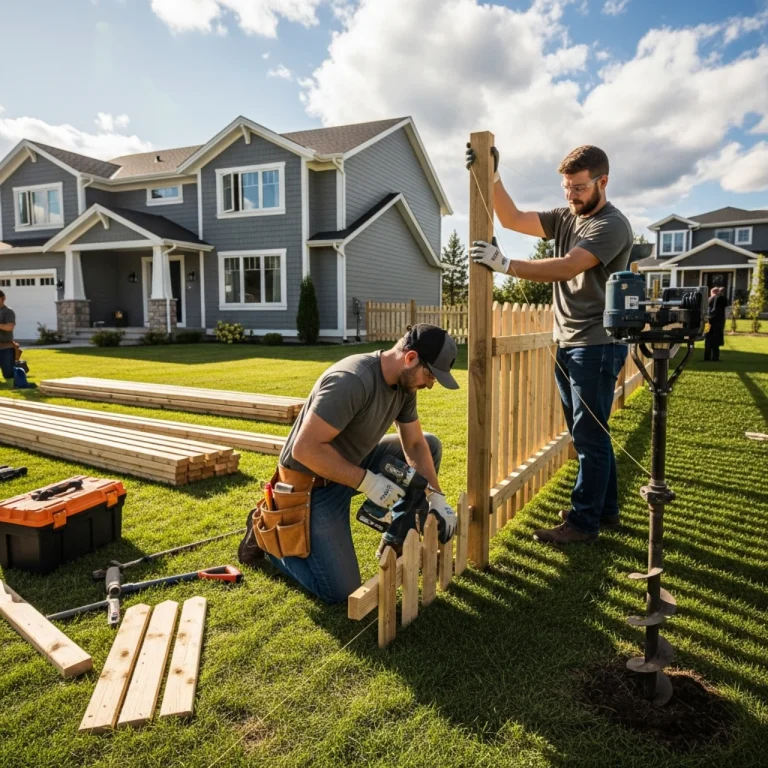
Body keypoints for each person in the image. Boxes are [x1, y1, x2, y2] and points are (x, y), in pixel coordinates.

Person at [466, 144, 632, 545]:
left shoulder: (612, 225)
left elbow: (567, 266)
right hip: (568, 341)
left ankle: (583, 523)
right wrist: (492, 175)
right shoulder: (564, 217)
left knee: (589, 437)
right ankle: (604, 511)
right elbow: (511, 218)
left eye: (578, 188)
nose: (570, 195)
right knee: (588, 435)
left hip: (596, 344)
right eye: (566, 187)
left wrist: (506, 265)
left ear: (602, 182)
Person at [238, 324, 459, 604]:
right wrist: (368, 482)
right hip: (311, 485)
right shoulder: (352, 379)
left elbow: (414, 444)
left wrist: (435, 496)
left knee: (430, 444)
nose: (430, 384)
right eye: (430, 375)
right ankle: (265, 539)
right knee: (340, 591)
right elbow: (305, 449)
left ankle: (397, 537)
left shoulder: (405, 386)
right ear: (411, 358)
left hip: (350, 463)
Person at [704, 286, 727, 362]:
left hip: (707, 321)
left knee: (707, 338)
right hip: (717, 321)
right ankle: (715, 357)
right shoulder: (720, 299)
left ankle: (706, 357)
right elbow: (725, 302)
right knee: (716, 339)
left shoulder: (708, 300)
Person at [0, 290, 17, 381]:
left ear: (3, 299)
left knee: (8, 375)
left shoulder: (8, 311)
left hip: (5, 348)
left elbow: (9, 327)